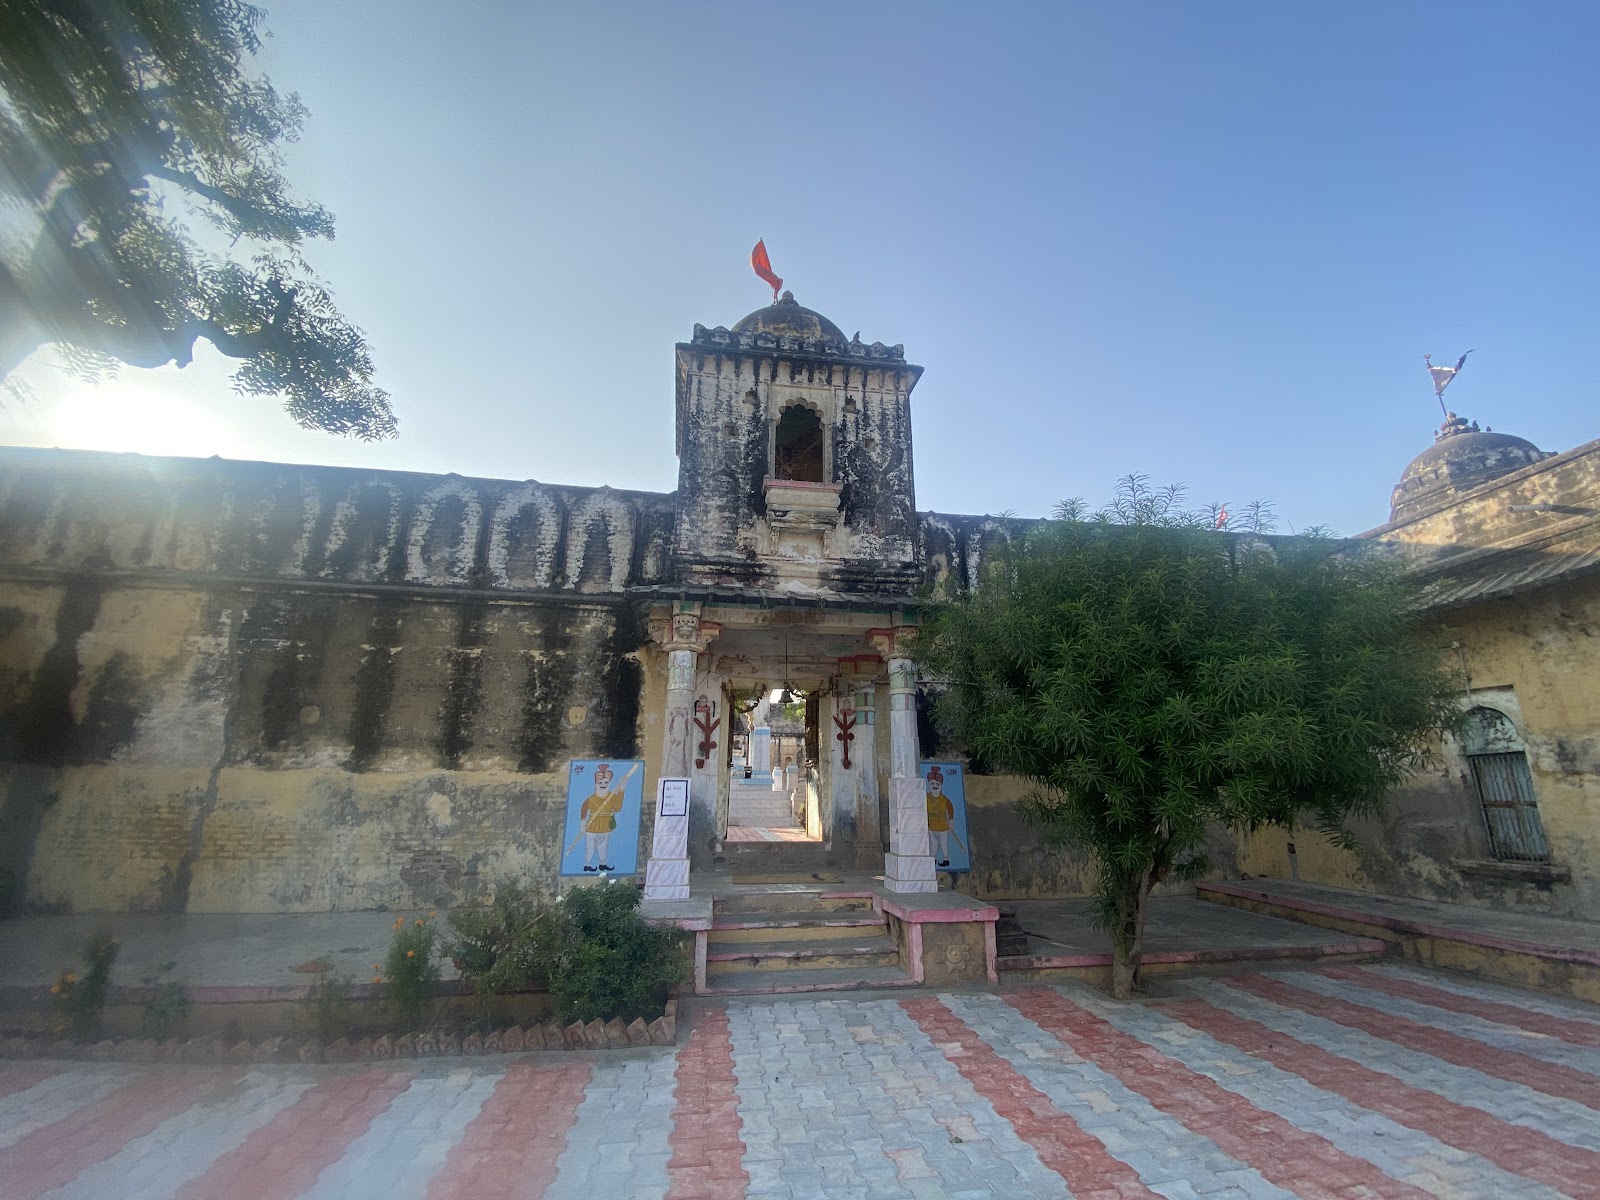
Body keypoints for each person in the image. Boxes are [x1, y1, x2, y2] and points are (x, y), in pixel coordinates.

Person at [577, 762, 637, 872]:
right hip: (592, 827)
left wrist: (622, 790)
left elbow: (617, 808)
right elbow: (584, 809)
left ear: (609, 783)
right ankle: (587, 864)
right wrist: (582, 823)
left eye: (606, 782)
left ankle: (602, 864)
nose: (603, 784)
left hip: (606, 826)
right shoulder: (591, 799)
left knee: (603, 847)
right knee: (590, 848)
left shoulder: (611, 796)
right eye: (600, 782)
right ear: (596, 784)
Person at [926, 766, 956, 867]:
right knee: (933, 843)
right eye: (932, 783)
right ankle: (932, 858)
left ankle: (946, 859)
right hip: (931, 824)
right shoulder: (926, 797)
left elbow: (950, 809)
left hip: (943, 824)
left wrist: (951, 821)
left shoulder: (945, 799)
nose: (934, 786)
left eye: (937, 784)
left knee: (944, 843)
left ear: (941, 785)